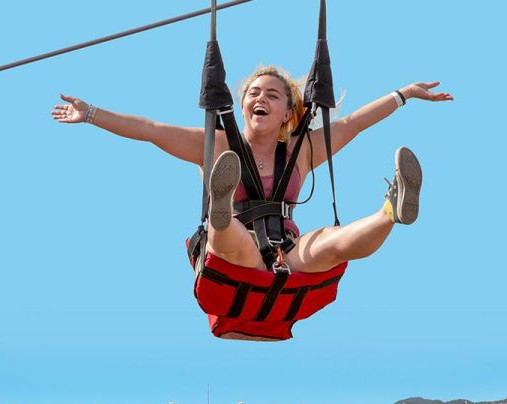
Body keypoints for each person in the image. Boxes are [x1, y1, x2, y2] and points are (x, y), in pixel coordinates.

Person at [52, 66, 452, 274]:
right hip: (228, 261)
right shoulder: (214, 143)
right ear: (242, 106)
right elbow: (151, 131)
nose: (260, 98)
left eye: (272, 95)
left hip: (283, 257)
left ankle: (390, 208)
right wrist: (90, 114)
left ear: (286, 114)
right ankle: (221, 209)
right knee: (232, 237)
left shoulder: (303, 150)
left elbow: (355, 123)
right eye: (253, 93)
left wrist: (404, 95)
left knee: (330, 242)